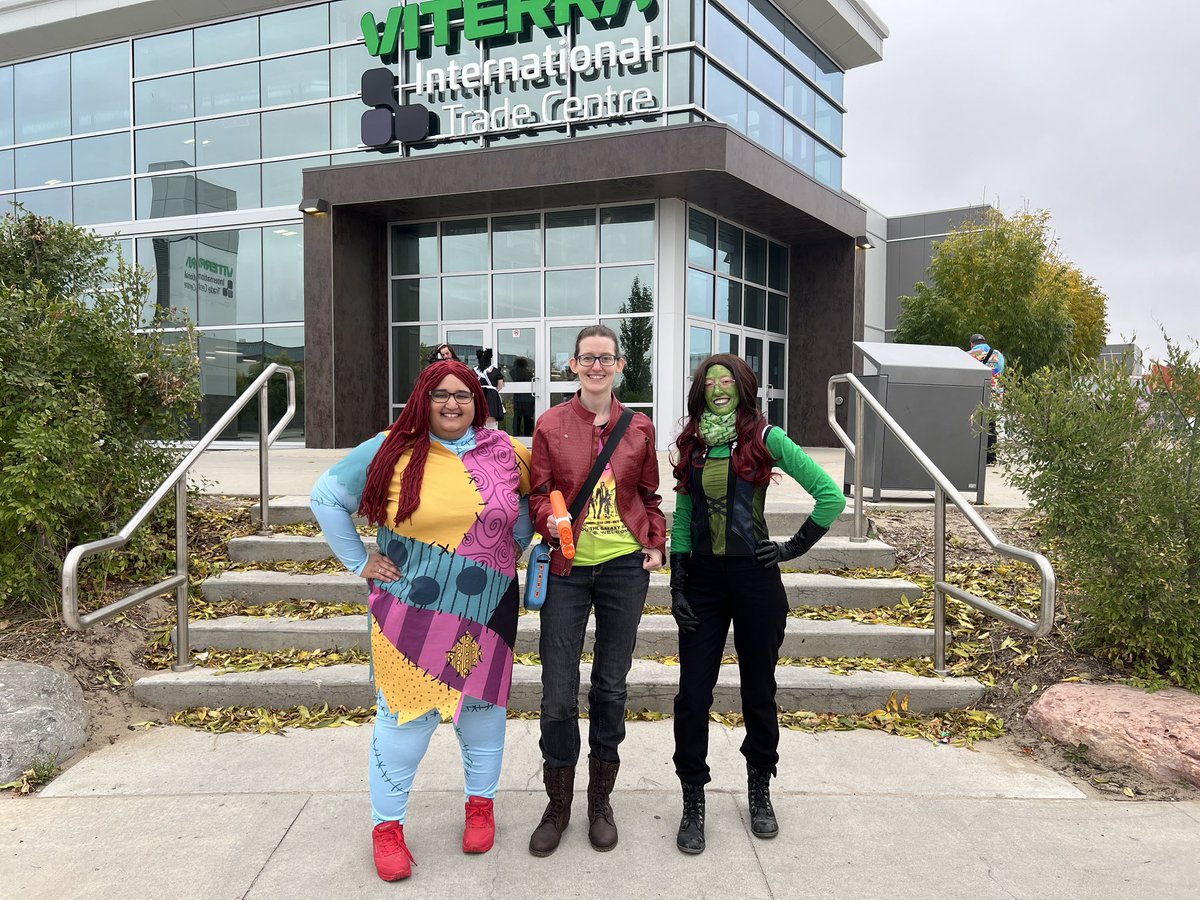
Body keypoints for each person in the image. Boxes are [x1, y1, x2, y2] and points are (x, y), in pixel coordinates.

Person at [310, 360, 532, 882]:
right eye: (440, 395)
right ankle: (386, 829)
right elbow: (326, 497)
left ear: (479, 401)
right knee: (404, 718)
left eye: (463, 394)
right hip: (409, 609)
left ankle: (481, 806)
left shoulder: (504, 450)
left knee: (481, 709)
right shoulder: (391, 446)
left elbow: (531, 498)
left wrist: (513, 546)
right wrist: (358, 561)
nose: (452, 404)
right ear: (422, 399)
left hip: (487, 607)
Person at [668, 354, 845, 855]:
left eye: (728, 382)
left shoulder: (765, 438)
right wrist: (677, 584)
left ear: (743, 388)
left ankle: (760, 788)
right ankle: (692, 798)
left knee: (758, 690)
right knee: (691, 696)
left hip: (755, 580)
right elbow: (683, 517)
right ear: (701, 392)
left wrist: (790, 548)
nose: (719, 389)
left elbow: (830, 495)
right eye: (710, 383)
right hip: (701, 581)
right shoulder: (693, 443)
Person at [527, 324, 666, 857]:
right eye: (588, 358)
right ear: (573, 364)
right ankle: (557, 805)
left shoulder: (639, 428)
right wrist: (551, 520)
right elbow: (537, 494)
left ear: (620, 365)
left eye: (605, 359)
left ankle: (599, 802)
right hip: (567, 571)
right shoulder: (551, 424)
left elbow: (649, 494)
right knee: (558, 691)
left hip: (623, 570)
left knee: (611, 686)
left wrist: (654, 542)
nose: (596, 366)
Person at [968, 333, 1006, 464]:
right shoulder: (998, 355)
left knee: (974, 424)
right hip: (994, 395)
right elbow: (1001, 372)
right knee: (991, 426)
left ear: (972, 344)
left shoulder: (969, 355)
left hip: (977, 394)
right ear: (985, 341)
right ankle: (991, 457)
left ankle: (974, 455)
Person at [474, 348, 506, 429]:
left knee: (477, 420)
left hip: (478, 396)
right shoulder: (496, 371)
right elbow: (500, 385)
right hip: (492, 397)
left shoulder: (474, 371)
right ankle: (492, 439)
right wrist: (494, 392)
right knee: (491, 422)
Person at [509, 356, 536, 435]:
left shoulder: (513, 372)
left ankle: (516, 434)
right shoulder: (528, 373)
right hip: (528, 399)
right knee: (528, 419)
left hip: (518, 399)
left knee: (517, 418)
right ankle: (528, 435)